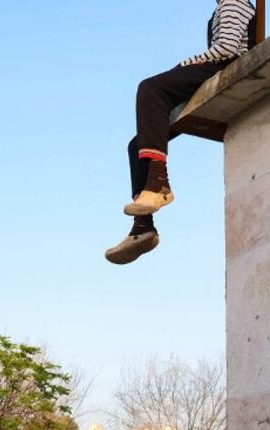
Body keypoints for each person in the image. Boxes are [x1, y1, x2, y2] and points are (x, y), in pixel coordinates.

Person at [105, 0, 258, 265]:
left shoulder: (235, 0)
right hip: (214, 65)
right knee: (137, 144)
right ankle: (143, 226)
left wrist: (186, 64)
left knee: (151, 89)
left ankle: (158, 182)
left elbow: (228, 48)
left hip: (223, 65)